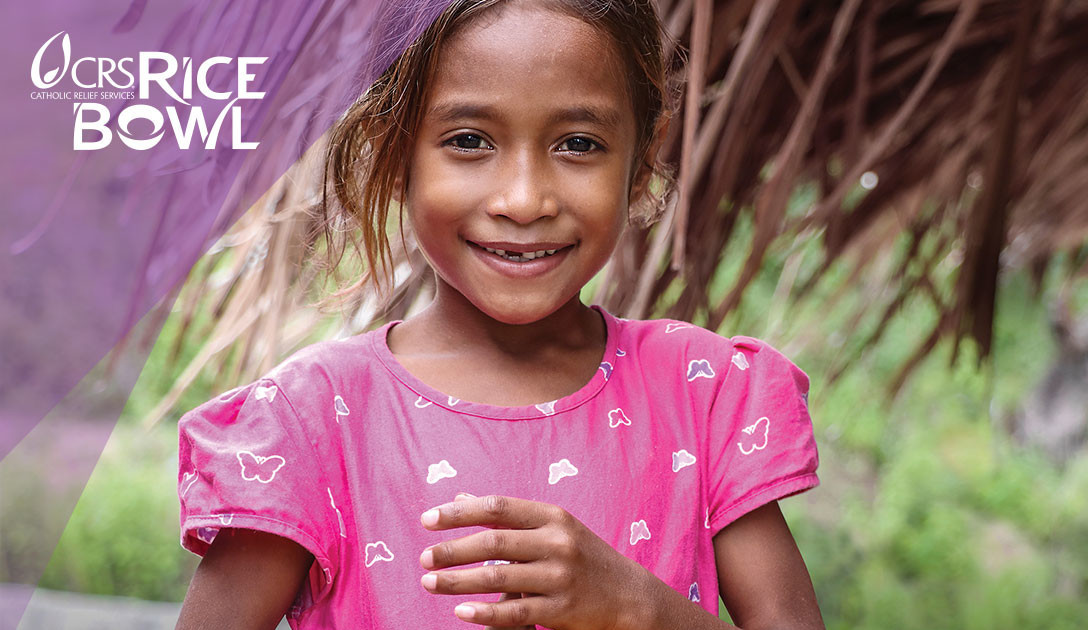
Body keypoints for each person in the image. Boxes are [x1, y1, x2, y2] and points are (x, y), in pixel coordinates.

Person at [175, 0, 824, 628]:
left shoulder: (703, 394)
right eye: (469, 140)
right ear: (394, 150)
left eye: (578, 143)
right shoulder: (313, 420)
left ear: (641, 158)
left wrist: (640, 608)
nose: (523, 199)